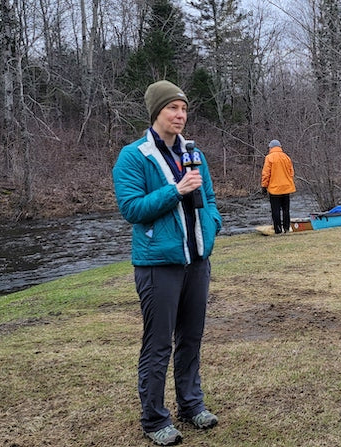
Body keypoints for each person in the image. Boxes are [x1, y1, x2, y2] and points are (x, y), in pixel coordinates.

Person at [113, 80, 223, 446]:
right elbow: (132, 210)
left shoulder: (193, 152)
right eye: (172, 108)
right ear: (156, 112)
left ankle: (192, 405)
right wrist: (175, 190)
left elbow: (208, 196)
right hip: (158, 264)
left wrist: (212, 227)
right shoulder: (134, 156)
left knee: (191, 338)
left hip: (197, 260)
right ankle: (154, 418)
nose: (180, 115)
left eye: (184, 109)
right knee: (158, 343)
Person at [261, 139, 296, 233]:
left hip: (274, 189)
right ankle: (286, 228)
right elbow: (291, 173)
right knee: (286, 209)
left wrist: (264, 186)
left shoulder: (269, 158)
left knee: (275, 210)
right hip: (286, 188)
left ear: (271, 147)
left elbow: (266, 174)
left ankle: (278, 229)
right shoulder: (286, 157)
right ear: (280, 147)